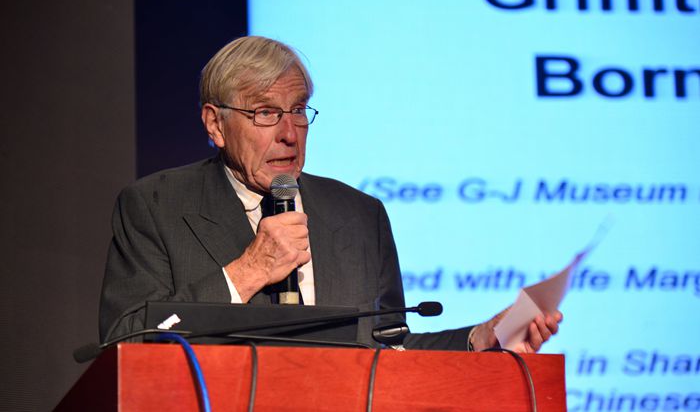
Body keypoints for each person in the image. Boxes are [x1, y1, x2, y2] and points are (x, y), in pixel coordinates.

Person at [99, 36, 561, 351]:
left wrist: (481, 337)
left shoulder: (359, 215)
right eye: (264, 112)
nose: (288, 133)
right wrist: (247, 271)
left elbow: (388, 348)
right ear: (215, 124)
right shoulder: (157, 206)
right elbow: (124, 341)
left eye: (298, 110)